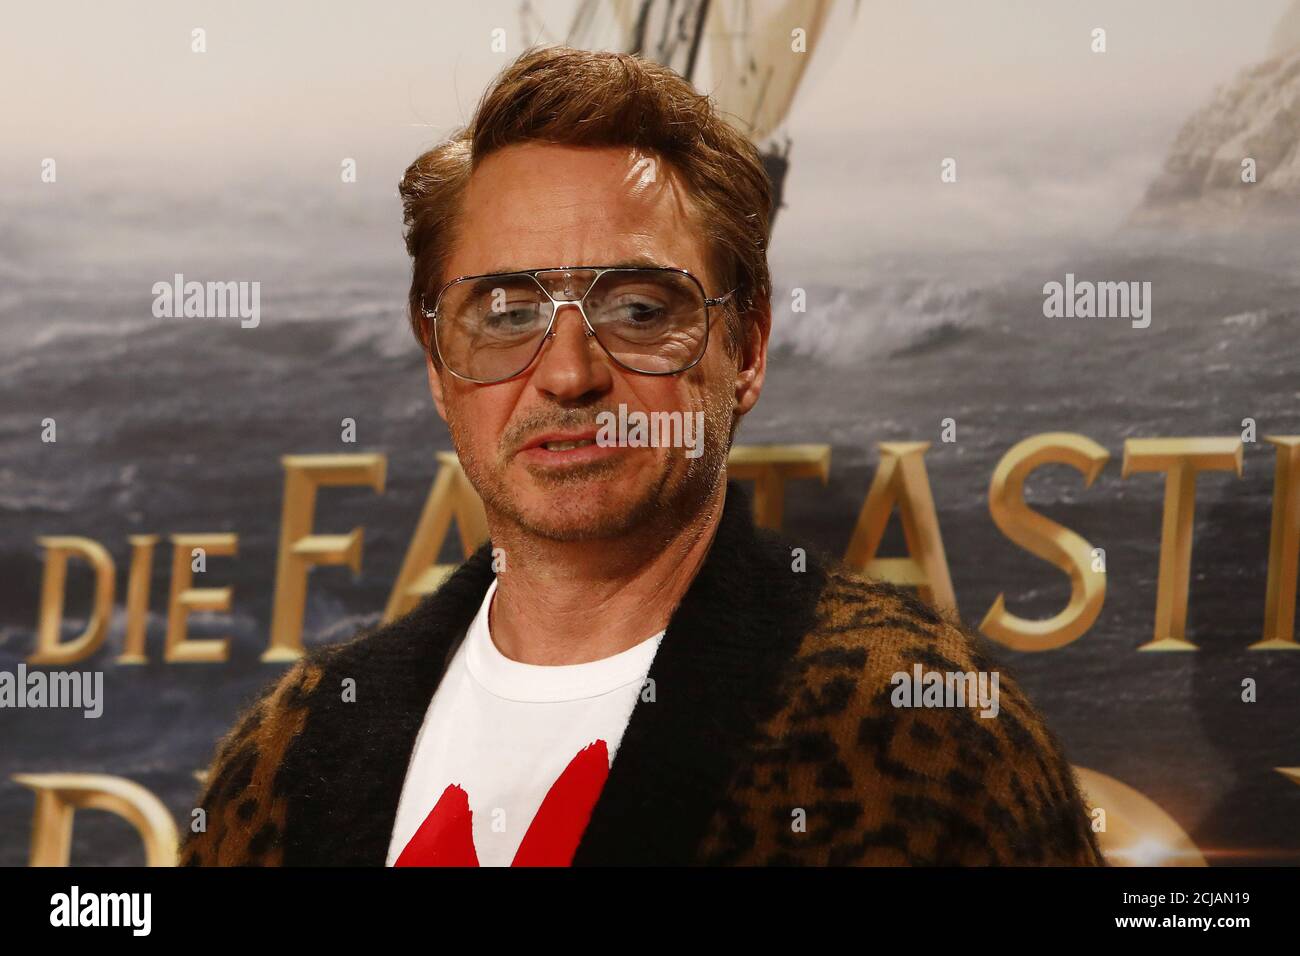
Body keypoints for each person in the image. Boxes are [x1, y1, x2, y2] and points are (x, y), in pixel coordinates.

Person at [181, 45, 1104, 867]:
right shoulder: (288, 752)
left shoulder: (918, 726)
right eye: (507, 313)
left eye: (638, 309)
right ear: (438, 365)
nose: (568, 374)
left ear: (746, 348)